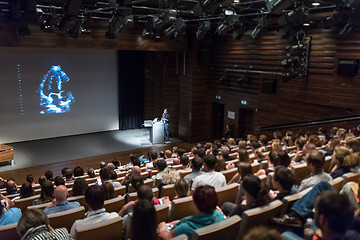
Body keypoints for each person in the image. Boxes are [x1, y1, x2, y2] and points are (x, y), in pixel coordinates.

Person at [158, 185, 224, 239]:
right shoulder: (220, 216)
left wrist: (162, 229)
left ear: (195, 203)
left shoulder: (185, 228)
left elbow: (167, 237)